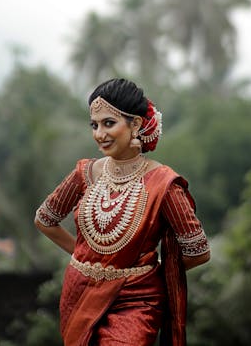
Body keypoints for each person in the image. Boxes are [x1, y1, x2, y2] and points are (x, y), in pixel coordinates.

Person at [34, 78, 210, 346]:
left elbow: (198, 251)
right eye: (94, 125)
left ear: (136, 124)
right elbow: (45, 220)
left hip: (136, 301)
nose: (99, 134)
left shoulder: (163, 184)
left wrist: (146, 273)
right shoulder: (85, 173)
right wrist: (87, 258)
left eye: (108, 123)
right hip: (80, 293)